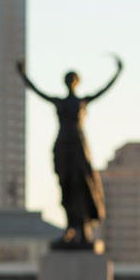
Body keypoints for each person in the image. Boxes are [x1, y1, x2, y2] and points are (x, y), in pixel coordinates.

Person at [16, 57, 122, 247]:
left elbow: (102, 91)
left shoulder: (82, 102)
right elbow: (38, 92)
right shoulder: (59, 102)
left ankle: (85, 231)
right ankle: (71, 229)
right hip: (63, 146)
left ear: (77, 83)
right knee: (66, 188)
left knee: (82, 187)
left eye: (73, 79)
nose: (70, 83)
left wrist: (117, 73)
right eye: (67, 79)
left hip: (78, 147)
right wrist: (23, 75)